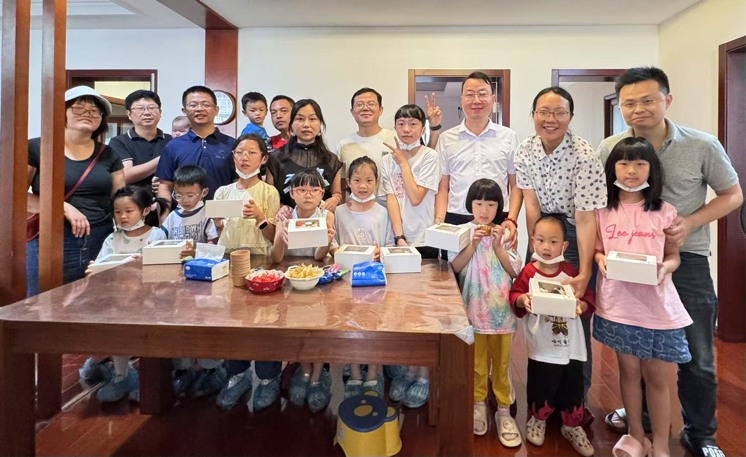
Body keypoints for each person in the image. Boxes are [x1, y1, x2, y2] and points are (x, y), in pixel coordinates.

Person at [597, 66, 742, 457]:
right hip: (629, 262)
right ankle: (642, 420)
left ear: (667, 100)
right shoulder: (610, 148)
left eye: (648, 100)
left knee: (697, 354)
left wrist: (690, 222)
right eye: (629, 103)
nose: (638, 109)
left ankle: (701, 434)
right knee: (637, 344)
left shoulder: (701, 145)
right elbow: (600, 203)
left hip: (685, 259)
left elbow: (733, 195)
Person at [594, 137, 693, 457]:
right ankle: (635, 434)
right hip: (619, 305)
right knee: (628, 373)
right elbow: (598, 249)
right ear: (612, 168)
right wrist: (600, 259)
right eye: (623, 163)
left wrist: (667, 269)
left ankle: (661, 442)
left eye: (640, 163)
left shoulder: (665, 211)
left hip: (656, 307)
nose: (631, 171)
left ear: (652, 169)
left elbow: (673, 256)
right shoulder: (602, 209)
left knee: (656, 377)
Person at [513, 86, 607, 416]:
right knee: (541, 312)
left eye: (559, 113)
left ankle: (576, 402)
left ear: (570, 116)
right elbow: (531, 204)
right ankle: (544, 399)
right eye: (544, 112)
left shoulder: (584, 155)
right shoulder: (525, 150)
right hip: (542, 231)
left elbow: (585, 218)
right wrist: (536, 249)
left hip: (574, 232)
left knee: (574, 318)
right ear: (533, 114)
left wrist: (584, 271)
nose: (550, 119)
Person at [26, 86, 125, 298]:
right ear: (62, 112)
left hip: (100, 237)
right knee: (45, 300)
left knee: (97, 299)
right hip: (52, 238)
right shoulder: (36, 148)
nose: (87, 114)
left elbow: (119, 197)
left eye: (94, 111)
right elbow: (14, 196)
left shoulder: (109, 153)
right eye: (79, 108)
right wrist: (62, 207)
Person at [510, 216, 596, 456]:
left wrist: (581, 305)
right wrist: (522, 299)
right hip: (542, 345)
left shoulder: (571, 273)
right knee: (542, 382)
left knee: (572, 384)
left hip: (571, 346)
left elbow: (588, 298)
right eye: (540, 240)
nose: (546, 247)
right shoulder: (529, 272)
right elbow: (515, 294)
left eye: (553, 241)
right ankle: (538, 419)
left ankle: (572, 425)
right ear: (532, 242)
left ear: (564, 246)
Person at [447, 179, 522, 446]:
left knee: (501, 365)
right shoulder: (462, 232)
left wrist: (499, 246)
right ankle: (478, 403)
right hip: (473, 313)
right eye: (479, 203)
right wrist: (472, 244)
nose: (484, 210)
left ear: (499, 207)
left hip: (502, 315)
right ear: (470, 205)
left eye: (491, 204)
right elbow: (455, 267)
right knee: (477, 365)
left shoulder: (505, 233)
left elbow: (514, 271)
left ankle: (504, 409)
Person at [211, 134, 282, 411]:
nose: (244, 157)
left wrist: (261, 218)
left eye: (252, 153)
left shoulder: (269, 192)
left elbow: (275, 236)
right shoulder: (222, 192)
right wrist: (218, 224)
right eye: (240, 152)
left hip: (262, 263)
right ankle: (237, 375)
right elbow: (218, 233)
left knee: (265, 324)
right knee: (232, 322)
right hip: (229, 264)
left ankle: (268, 378)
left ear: (263, 159)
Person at [81, 186, 166, 402]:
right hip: (117, 299)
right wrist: (95, 269)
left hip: (148, 299)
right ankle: (122, 375)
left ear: (145, 211)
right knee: (114, 331)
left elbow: (164, 266)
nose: (123, 216)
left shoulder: (156, 235)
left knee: (147, 337)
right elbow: (102, 265)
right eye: (118, 212)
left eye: (129, 211)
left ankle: (151, 380)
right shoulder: (112, 238)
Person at [271, 170, 336, 413]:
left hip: (317, 278)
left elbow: (319, 257)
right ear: (292, 193)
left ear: (322, 193)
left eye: (314, 190)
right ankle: (304, 369)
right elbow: (276, 258)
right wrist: (280, 237)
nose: (308, 195)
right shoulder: (285, 216)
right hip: (291, 279)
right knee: (296, 327)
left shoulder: (326, 215)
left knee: (318, 328)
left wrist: (326, 241)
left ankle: (318, 374)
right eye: (301, 190)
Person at [435, 72, 520, 250]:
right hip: (456, 219)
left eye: (482, 94)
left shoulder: (508, 137)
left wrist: (511, 219)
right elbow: (443, 187)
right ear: (462, 99)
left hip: (497, 220)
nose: (476, 100)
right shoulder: (446, 138)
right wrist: (440, 221)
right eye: (470, 94)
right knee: (454, 267)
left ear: (493, 98)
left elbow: (515, 186)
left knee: (496, 266)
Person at [332, 156, 395, 399]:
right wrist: (336, 250)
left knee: (375, 325)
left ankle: (374, 373)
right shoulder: (339, 212)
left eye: (369, 180)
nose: (363, 185)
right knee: (349, 325)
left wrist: (381, 252)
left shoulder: (383, 212)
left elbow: (389, 244)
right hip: (346, 282)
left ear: (377, 182)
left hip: (374, 282)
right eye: (357, 180)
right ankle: (355, 372)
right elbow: (332, 243)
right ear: (348, 182)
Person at [336, 88, 442, 188]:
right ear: (352, 111)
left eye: (371, 104)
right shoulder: (343, 145)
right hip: (356, 202)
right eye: (359, 104)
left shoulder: (399, 137)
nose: (365, 108)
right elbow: (341, 185)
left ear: (380, 110)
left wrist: (434, 127)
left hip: (393, 201)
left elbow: (424, 156)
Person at [156, 86, 236, 212]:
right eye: (193, 105)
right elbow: (165, 187)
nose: (199, 109)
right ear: (184, 111)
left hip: (222, 214)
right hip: (184, 215)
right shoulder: (173, 146)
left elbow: (238, 183)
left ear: (216, 110)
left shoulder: (232, 144)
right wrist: (164, 220)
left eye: (205, 104)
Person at [380, 104, 441, 259]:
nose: (406, 129)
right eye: (401, 124)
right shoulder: (386, 160)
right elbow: (391, 199)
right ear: (395, 128)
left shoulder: (429, 156)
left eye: (413, 124)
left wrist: (403, 164)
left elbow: (415, 198)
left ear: (423, 129)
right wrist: (399, 237)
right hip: (396, 237)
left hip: (424, 237)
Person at [266, 99, 343, 215]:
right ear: (291, 125)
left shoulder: (331, 160)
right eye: (300, 119)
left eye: (312, 119)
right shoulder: (276, 159)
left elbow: (337, 193)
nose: (306, 125)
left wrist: (335, 200)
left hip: (323, 222)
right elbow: (268, 196)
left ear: (320, 124)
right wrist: (281, 207)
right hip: (287, 221)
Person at [108, 90, 171, 189]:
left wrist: (168, 182)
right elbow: (125, 176)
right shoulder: (118, 142)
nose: (147, 113)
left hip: (166, 197)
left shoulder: (171, 141)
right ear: (129, 114)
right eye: (140, 108)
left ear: (160, 112)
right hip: (132, 197)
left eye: (152, 108)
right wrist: (164, 157)